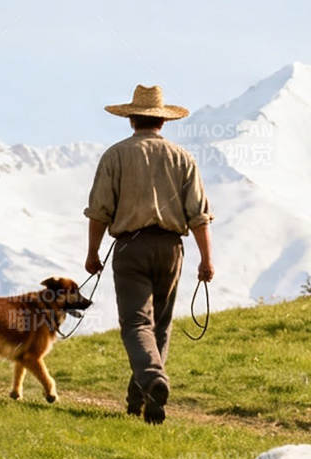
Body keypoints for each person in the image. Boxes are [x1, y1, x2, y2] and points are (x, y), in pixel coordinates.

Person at [84, 84, 215, 425]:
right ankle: (139, 400)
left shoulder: (116, 155)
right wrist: (206, 259)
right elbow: (199, 214)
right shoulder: (182, 157)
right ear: (162, 121)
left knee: (136, 322)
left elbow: (99, 210)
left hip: (130, 247)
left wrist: (92, 253)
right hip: (171, 248)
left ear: (131, 119)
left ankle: (153, 379)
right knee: (160, 324)